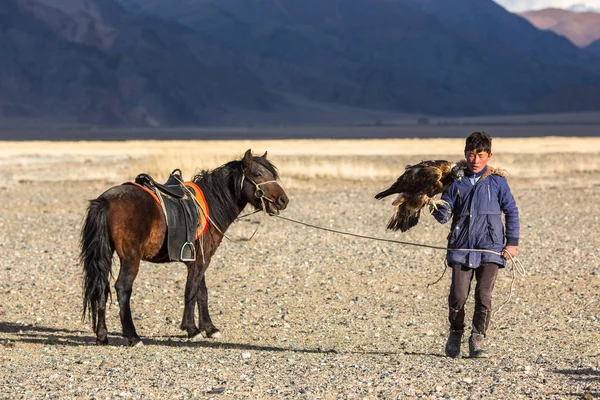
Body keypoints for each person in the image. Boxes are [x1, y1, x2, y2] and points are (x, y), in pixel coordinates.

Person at [432, 131, 520, 358]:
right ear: (465, 154)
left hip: (491, 247)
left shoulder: (498, 182)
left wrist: (512, 243)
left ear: (489, 156)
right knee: (458, 296)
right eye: (471, 155)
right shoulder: (455, 182)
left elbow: (511, 211)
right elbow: (445, 210)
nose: (475, 160)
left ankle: (478, 338)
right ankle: (455, 332)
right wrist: (438, 209)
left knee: (484, 296)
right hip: (461, 246)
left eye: (480, 155)